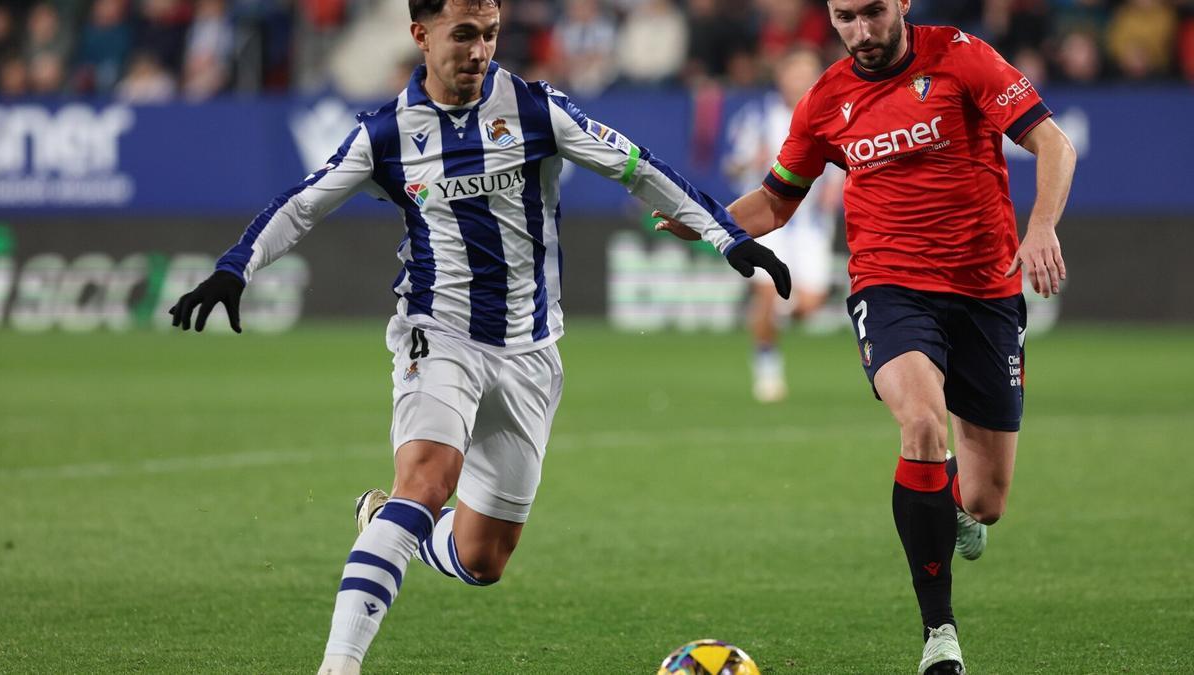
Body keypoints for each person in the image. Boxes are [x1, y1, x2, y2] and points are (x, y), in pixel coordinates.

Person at [167, 0, 790, 672]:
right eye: (463, 35)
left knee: (483, 559)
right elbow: (303, 204)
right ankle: (339, 663)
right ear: (420, 35)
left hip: (530, 352)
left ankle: (387, 518)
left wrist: (728, 237)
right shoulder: (386, 133)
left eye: (490, 35)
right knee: (428, 479)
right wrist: (236, 267)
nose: (479, 51)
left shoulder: (534, 110)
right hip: (439, 332)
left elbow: (637, 167)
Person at [656, 1, 1075, 672]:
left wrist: (1043, 224)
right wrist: (707, 220)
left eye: (873, 12)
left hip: (986, 293)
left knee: (985, 501)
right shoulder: (827, 99)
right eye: (845, 17)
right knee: (921, 426)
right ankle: (939, 631)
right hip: (891, 289)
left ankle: (953, 502)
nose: (860, 31)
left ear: (901, 3)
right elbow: (775, 199)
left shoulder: (961, 57)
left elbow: (1053, 140)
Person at [723, 48, 845, 403]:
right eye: (796, 72)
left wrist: (837, 192)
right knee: (768, 292)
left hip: (811, 226)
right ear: (782, 77)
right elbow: (730, 166)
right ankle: (767, 368)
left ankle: (767, 324)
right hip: (770, 222)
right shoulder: (760, 116)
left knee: (809, 304)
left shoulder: (830, 115)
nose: (802, 80)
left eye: (809, 72)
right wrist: (750, 161)